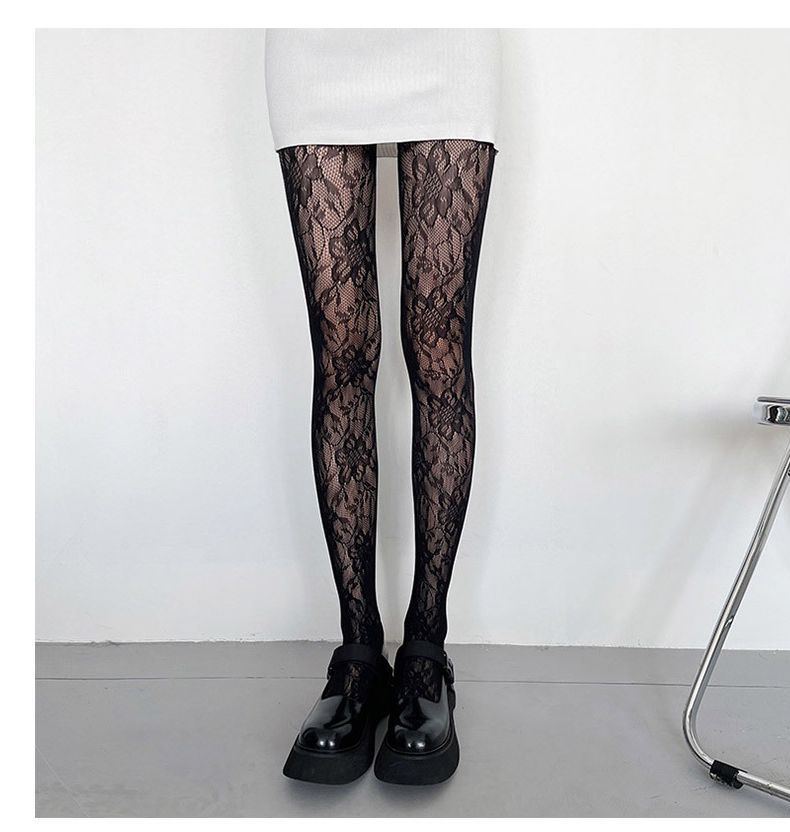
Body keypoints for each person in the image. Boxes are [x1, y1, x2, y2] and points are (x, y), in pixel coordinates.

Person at [264, 27, 501, 785]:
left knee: (436, 345)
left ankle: (426, 652)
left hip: (445, 39)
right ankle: (359, 653)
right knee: (342, 350)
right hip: (316, 40)